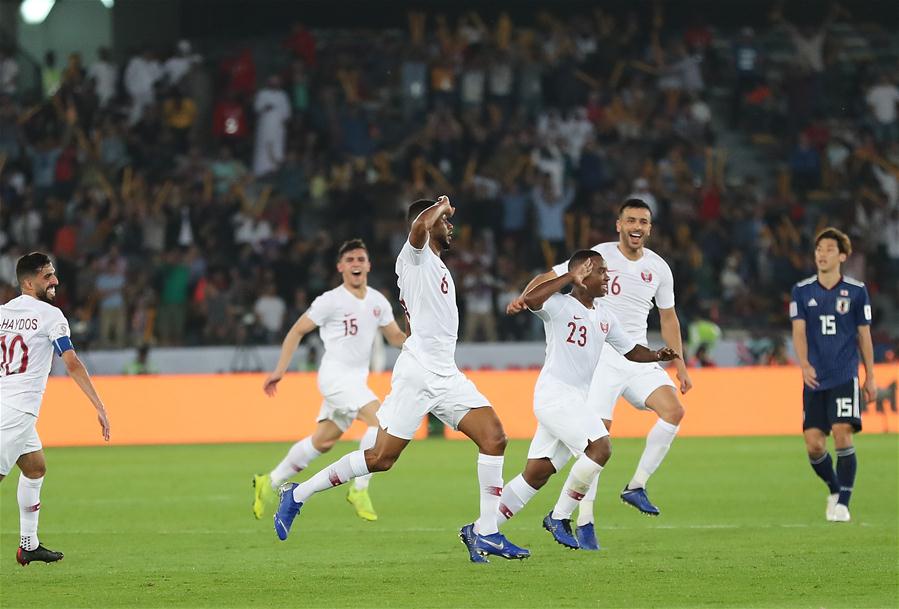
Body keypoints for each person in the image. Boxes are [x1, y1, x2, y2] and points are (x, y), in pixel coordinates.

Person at [272, 197, 529, 563]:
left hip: (445, 373)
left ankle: (485, 532)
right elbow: (418, 228)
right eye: (445, 222)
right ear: (429, 223)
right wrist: (440, 206)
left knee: (494, 437)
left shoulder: (435, 265)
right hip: (419, 375)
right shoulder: (414, 257)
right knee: (381, 458)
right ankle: (296, 495)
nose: (450, 226)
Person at [507, 199, 691, 533]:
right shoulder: (595, 257)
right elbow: (551, 278)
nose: (637, 227)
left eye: (644, 222)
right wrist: (525, 298)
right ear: (618, 224)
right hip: (599, 361)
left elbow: (668, 317)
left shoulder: (659, 269)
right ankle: (582, 518)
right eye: (631, 220)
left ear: (650, 228)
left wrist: (675, 360)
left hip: (632, 350)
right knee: (597, 443)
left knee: (673, 411)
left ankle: (636, 486)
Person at [254, 239, 406, 522]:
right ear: (340, 267)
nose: (356, 264)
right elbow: (296, 331)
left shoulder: (377, 301)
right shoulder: (330, 301)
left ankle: (269, 481)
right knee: (379, 420)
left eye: (361, 259)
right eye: (350, 260)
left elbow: (395, 337)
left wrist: (418, 341)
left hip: (355, 382)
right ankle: (359, 489)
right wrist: (279, 370)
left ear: (369, 265)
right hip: (335, 378)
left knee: (322, 442)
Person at [0, 252, 111, 565]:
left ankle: (28, 544)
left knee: (35, 468)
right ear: (28, 281)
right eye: (47, 276)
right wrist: (99, 405)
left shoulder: (3, 313)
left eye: (53, 275)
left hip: (6, 403)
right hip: (18, 411)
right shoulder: (51, 316)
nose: (55, 281)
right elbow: (72, 363)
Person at [789, 227, 875, 523]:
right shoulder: (802, 291)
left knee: (841, 432)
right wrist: (803, 363)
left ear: (842, 256)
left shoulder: (856, 291)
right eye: (818, 249)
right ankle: (835, 490)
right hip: (814, 378)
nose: (821, 254)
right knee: (813, 444)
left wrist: (870, 376)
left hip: (844, 374)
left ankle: (844, 503)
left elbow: (864, 336)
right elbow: (798, 330)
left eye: (828, 249)